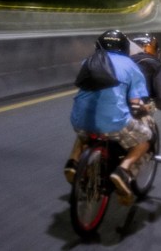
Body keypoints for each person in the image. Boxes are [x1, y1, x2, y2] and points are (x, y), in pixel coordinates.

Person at [64, 29, 153, 199]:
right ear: (125, 48)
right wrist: (144, 108)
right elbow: (135, 103)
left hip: (79, 119)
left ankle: (73, 163)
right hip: (113, 123)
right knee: (145, 139)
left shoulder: (87, 61)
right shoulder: (131, 66)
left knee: (83, 134)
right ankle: (122, 170)